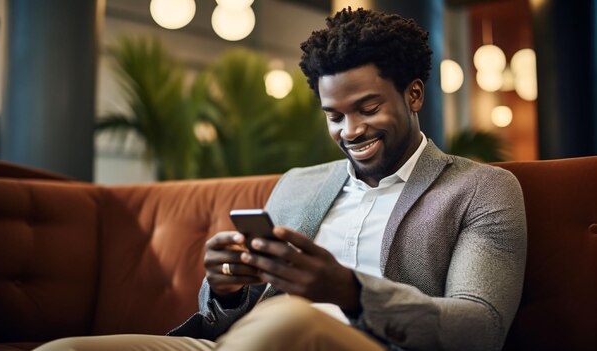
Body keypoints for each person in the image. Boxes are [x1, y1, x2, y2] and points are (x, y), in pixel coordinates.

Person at [35, 7, 527, 351]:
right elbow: (232, 319)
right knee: (67, 349)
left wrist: (350, 291)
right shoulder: (300, 183)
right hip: (252, 343)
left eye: (368, 108)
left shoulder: (480, 188)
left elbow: (480, 329)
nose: (350, 130)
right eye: (334, 115)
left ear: (414, 95)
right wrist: (225, 289)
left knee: (292, 319)